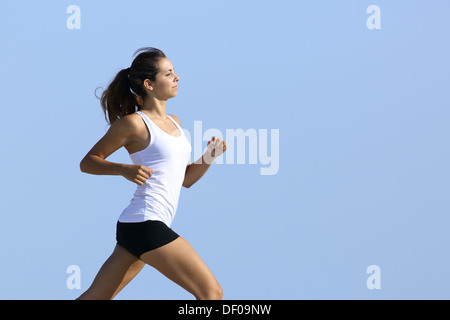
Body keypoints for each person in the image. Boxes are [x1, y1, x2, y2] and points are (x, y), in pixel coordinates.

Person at [77, 47, 227, 300]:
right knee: (211, 293)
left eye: (174, 72)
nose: (176, 77)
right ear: (149, 84)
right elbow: (88, 162)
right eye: (168, 73)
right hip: (146, 223)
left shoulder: (176, 122)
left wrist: (210, 156)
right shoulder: (134, 123)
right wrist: (124, 169)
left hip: (138, 227)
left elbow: (185, 180)